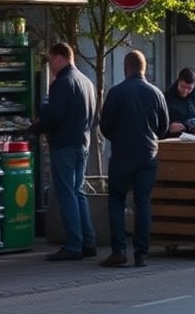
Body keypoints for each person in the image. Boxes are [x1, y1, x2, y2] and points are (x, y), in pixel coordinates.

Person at [98, 49, 169, 268]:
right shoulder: (156, 93)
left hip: (122, 155)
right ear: (143, 68)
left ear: (126, 68)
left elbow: (105, 126)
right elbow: (164, 127)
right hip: (148, 155)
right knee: (143, 203)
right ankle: (141, 254)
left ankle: (119, 251)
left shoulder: (116, 93)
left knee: (117, 201)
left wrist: (118, 138)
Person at [29, 42, 97, 261]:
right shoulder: (86, 81)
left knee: (67, 193)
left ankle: (74, 245)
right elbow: (94, 116)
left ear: (59, 58)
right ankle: (88, 242)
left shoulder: (62, 83)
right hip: (82, 143)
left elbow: (54, 116)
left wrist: (35, 129)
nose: (50, 66)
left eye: (50, 61)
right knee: (78, 192)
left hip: (65, 145)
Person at [163, 67, 195, 137]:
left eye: (189, 88)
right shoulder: (167, 96)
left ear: (194, 85)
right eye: (182, 87)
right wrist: (168, 127)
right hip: (174, 138)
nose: (185, 91)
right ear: (178, 81)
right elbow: (158, 120)